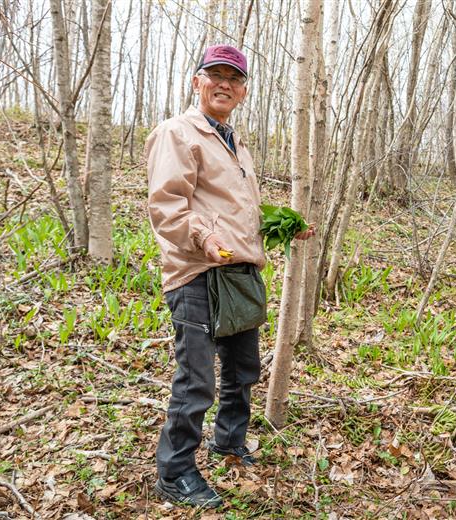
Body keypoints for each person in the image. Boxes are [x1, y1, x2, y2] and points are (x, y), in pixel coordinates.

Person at [146, 44, 313, 508]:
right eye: (215, 75)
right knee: (197, 378)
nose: (224, 84)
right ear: (197, 81)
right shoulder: (178, 133)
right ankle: (175, 471)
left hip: (238, 274)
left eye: (234, 78)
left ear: (243, 91)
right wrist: (203, 239)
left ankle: (229, 442)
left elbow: (238, 211)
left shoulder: (233, 142)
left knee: (242, 370)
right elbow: (167, 207)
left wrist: (286, 227)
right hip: (197, 272)